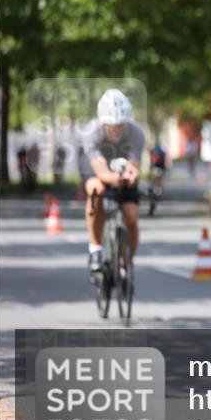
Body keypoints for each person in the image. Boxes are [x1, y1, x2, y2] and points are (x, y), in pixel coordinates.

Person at [80, 89, 145, 282]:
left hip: (121, 167)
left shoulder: (136, 132)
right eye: (112, 126)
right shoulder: (92, 132)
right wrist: (112, 178)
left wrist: (131, 176)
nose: (117, 129)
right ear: (103, 122)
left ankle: (126, 263)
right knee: (97, 190)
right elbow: (100, 170)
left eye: (121, 125)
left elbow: (135, 165)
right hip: (96, 167)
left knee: (132, 217)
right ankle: (95, 249)